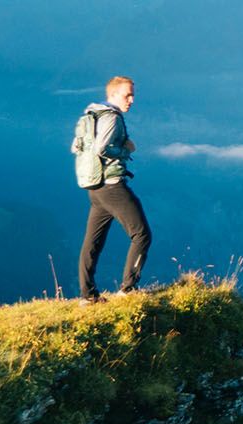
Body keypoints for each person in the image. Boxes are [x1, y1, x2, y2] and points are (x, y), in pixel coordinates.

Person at [72, 76, 150, 303]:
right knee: (142, 234)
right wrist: (126, 150)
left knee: (92, 242)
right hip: (112, 186)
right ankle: (128, 289)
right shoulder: (112, 118)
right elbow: (101, 148)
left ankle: (88, 295)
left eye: (133, 94)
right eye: (128, 95)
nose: (132, 100)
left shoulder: (92, 115)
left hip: (95, 187)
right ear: (113, 95)